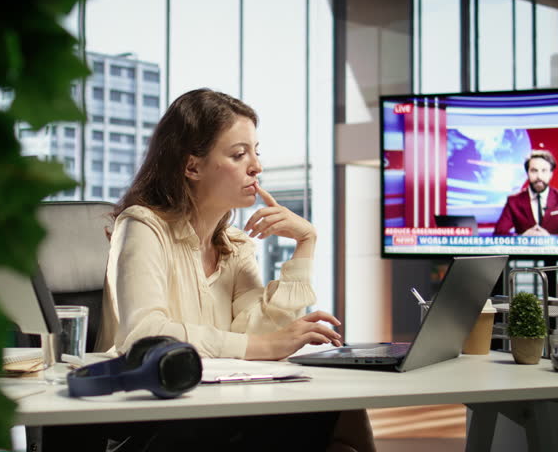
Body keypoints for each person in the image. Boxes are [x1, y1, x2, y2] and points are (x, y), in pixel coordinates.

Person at [96, 88, 375, 452]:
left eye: (256, 152)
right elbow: (144, 334)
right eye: (239, 154)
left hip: (219, 407)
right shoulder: (142, 226)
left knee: (340, 408)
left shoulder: (236, 244)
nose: (256, 166)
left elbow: (260, 334)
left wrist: (306, 244)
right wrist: (262, 345)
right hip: (152, 416)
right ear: (192, 166)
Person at [493, 149, 558, 236]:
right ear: (527, 173)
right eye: (534, 171)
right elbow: (499, 233)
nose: (539, 176)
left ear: (551, 174)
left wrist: (550, 239)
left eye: (544, 171)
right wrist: (522, 238)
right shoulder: (513, 201)